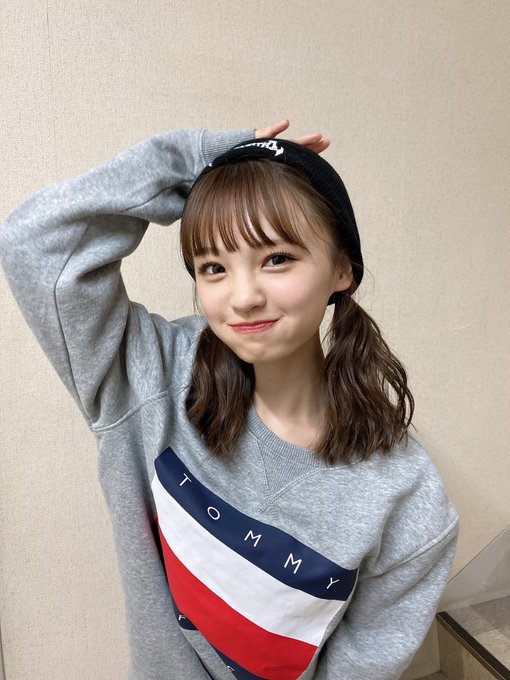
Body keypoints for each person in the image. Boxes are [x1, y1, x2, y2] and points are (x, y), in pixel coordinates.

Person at [0, 119, 459, 680]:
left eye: (277, 258)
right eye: (213, 267)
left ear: (342, 268)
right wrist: (197, 161)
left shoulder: (408, 499)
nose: (243, 297)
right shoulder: (149, 379)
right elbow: (35, 243)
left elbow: (359, 667)